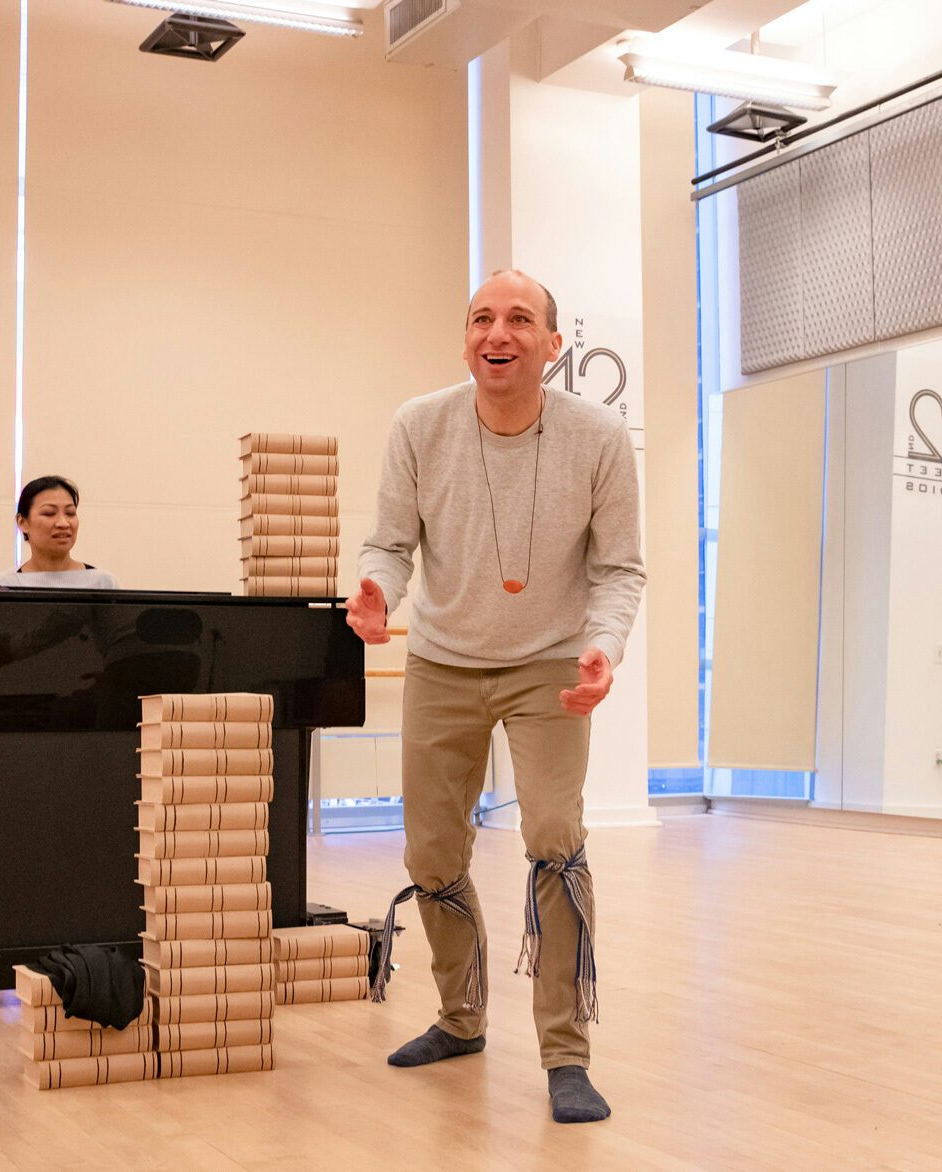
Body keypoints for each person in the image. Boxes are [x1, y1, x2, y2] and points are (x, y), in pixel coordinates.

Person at [348, 269, 645, 1125]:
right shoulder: (420, 424)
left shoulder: (597, 437)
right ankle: (461, 1015)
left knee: (555, 838)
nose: (497, 332)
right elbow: (390, 544)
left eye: (519, 319)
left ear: (553, 344)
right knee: (431, 853)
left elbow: (619, 569)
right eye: (482, 317)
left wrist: (603, 646)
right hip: (443, 660)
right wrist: (376, 591)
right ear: (466, 337)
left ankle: (566, 1053)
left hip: (549, 661)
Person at [0, 475, 120, 589]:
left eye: (70, 513)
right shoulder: (3, 585)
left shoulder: (103, 583)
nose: (63, 523)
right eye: (49, 513)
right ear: (22, 522)